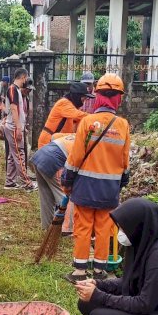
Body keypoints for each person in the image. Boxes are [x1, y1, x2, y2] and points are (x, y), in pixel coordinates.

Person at [62, 73, 130, 281]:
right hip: (109, 188)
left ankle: (80, 271)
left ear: (97, 96)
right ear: (118, 97)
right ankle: (100, 271)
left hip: (85, 185)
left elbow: (75, 157)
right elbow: (125, 161)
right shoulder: (123, 125)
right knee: (104, 228)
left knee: (83, 227)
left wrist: (67, 180)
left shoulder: (87, 122)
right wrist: (121, 183)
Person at [31, 134, 75, 229]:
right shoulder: (91, 146)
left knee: (46, 196)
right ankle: (68, 229)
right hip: (54, 161)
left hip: (40, 155)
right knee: (66, 197)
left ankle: (46, 226)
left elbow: (54, 136)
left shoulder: (76, 135)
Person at [3, 68, 37, 191]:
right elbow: (13, 108)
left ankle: (10, 182)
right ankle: (27, 183)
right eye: (26, 78)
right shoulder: (13, 89)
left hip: (14, 127)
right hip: (13, 127)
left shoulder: (16, 90)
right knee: (19, 155)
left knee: (13, 156)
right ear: (23, 77)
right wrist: (18, 128)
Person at [37, 82, 92, 149]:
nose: (85, 100)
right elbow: (79, 115)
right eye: (84, 97)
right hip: (48, 141)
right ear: (77, 96)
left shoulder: (72, 106)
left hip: (58, 141)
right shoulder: (64, 103)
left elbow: (78, 121)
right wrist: (97, 117)